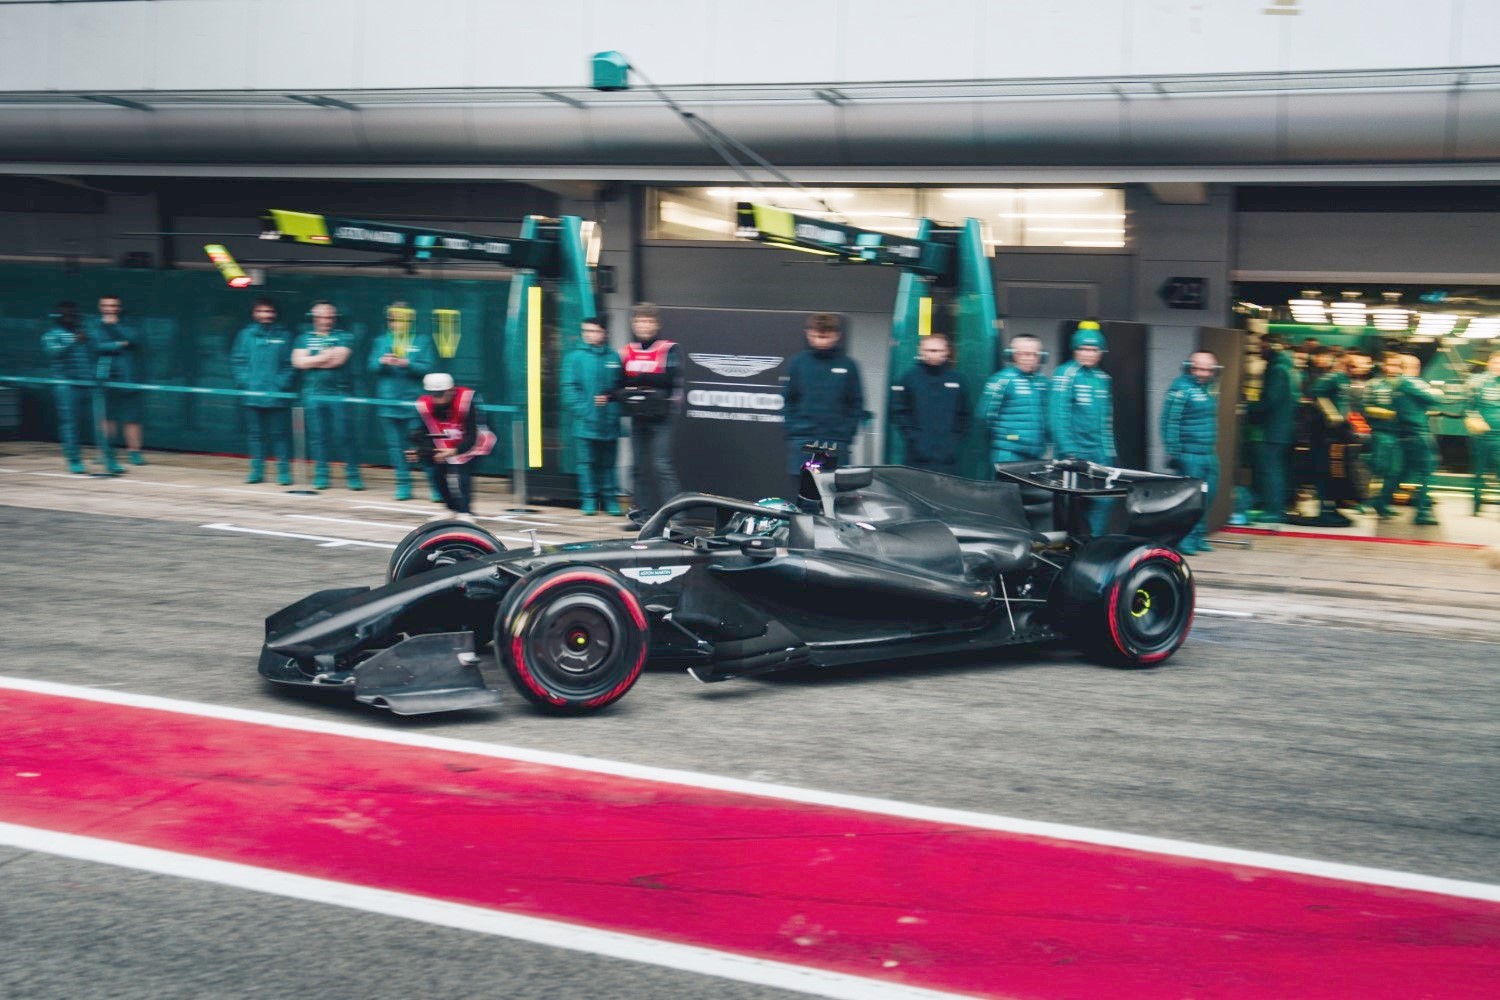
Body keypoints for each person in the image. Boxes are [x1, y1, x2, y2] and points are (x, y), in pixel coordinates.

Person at [782, 312, 865, 498]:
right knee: (805, 495)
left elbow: (856, 404)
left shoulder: (848, 365)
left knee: (835, 497)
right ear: (808, 334)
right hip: (803, 443)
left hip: (836, 443)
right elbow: (789, 400)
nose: (821, 341)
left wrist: (845, 435)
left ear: (836, 335)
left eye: (825, 336)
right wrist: (795, 432)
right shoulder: (797, 363)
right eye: (816, 335)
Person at [1049, 320, 1117, 535]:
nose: (1088, 353)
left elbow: (1106, 420)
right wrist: (1069, 452)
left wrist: (1110, 452)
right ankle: (1075, 551)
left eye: (1093, 349)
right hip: (1074, 454)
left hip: (1099, 454)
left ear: (1101, 351)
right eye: (1083, 348)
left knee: (1104, 501)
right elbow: (1057, 416)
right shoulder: (1065, 373)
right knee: (1073, 507)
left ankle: (1092, 547)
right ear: (1075, 349)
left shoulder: (1103, 378)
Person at [615, 302, 683, 518]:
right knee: (637, 467)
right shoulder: (626, 351)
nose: (643, 325)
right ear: (633, 324)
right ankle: (641, 515)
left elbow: (669, 378)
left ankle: (678, 518)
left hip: (662, 416)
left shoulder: (670, 348)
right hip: (637, 416)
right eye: (639, 321)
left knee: (662, 466)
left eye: (648, 320)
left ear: (656, 324)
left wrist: (639, 379)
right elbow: (619, 383)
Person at [293, 300, 362, 491]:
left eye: (331, 317)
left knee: (345, 436)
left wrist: (312, 360)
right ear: (315, 318)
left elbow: (337, 361)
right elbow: (298, 363)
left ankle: (353, 476)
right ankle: (321, 476)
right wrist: (325, 356)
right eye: (323, 316)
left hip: (339, 394)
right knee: (318, 437)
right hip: (312, 394)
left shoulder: (345, 336)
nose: (327, 320)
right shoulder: (303, 337)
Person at [368, 302, 433, 502]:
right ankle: (403, 485)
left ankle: (436, 486)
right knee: (395, 447)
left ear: (409, 320)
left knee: (420, 446)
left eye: (402, 319)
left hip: (414, 403)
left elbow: (428, 367)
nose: (398, 323)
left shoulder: (422, 340)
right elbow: (370, 365)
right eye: (394, 319)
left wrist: (408, 364)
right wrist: (381, 362)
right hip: (388, 402)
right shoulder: (381, 341)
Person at [408, 372, 495, 516]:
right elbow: (421, 432)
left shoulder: (467, 401)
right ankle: (452, 508)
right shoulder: (425, 404)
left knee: (461, 472)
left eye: (440, 394)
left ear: (451, 390)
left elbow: (472, 435)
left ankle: (466, 512)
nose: (437, 399)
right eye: (433, 394)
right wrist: (420, 450)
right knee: (436, 473)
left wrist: (454, 451)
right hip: (446, 442)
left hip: (475, 442)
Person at [1372, 353, 1444, 526]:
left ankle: (1380, 503)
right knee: (1427, 470)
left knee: (1401, 472)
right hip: (1418, 432)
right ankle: (1422, 513)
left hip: (1403, 433)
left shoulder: (1396, 384)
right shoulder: (1409, 382)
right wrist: (1436, 391)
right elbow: (1433, 399)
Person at [230, 298, 296, 485]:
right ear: (254, 313)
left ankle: (284, 473)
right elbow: (237, 361)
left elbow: (290, 364)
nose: (266, 315)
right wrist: (245, 382)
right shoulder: (245, 335)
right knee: (255, 435)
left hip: (277, 396)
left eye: (270, 311)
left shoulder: (285, 335)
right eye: (262, 311)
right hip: (252, 395)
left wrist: (281, 383)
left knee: (280, 435)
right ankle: (256, 471)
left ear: (275, 314)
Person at [563, 316, 624, 515]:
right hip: (584, 423)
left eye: (595, 331)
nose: (590, 335)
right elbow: (569, 388)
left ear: (604, 333)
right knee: (586, 463)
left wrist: (614, 411)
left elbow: (620, 388)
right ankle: (588, 500)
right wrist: (584, 411)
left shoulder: (614, 357)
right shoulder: (574, 358)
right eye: (587, 331)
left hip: (609, 422)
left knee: (608, 464)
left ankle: (610, 500)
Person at [1161, 351, 1220, 555]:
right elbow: (1169, 420)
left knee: (1207, 496)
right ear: (1190, 366)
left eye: (1207, 369)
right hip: (1189, 453)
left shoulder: (1209, 388)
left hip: (1208, 453)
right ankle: (1184, 540)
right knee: (1190, 501)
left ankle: (1198, 536)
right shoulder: (1180, 388)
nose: (1203, 373)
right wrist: (1173, 451)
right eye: (1199, 368)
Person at [889, 332, 971, 475]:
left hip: (947, 459)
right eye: (929, 350)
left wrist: (953, 440)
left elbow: (964, 414)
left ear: (947, 352)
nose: (933, 354)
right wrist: (915, 438)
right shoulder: (909, 378)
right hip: (916, 458)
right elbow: (899, 411)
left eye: (938, 350)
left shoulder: (957, 379)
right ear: (921, 351)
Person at [39, 301, 99, 475]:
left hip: (87, 384)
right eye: (66, 315)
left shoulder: (84, 334)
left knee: (95, 422)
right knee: (70, 423)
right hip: (66, 386)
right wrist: (74, 341)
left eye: (73, 314)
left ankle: (103, 457)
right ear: (58, 317)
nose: (70, 318)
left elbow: (93, 355)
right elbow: (53, 353)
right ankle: (74, 459)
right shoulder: (51, 335)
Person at [89, 294, 146, 466]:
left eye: (113, 305)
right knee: (106, 417)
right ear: (100, 307)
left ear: (119, 308)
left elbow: (133, 340)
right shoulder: (94, 325)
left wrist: (113, 330)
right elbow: (95, 346)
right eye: (106, 305)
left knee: (132, 417)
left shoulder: (129, 324)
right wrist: (118, 344)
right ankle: (105, 452)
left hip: (129, 377)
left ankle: (134, 452)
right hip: (104, 378)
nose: (110, 308)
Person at [978, 333, 1049, 472]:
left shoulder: (1042, 382)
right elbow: (984, 415)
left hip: (1035, 455)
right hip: (1008, 454)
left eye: (1035, 354)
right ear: (1012, 355)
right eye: (1024, 354)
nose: (1030, 358)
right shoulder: (1002, 380)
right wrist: (1008, 436)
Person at [1250, 336, 1297, 523]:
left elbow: (1271, 400)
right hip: (1284, 427)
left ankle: (1274, 510)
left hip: (1275, 428)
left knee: (1271, 470)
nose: (1260, 351)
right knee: (1277, 469)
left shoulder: (1277, 369)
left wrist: (1249, 407)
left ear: (1272, 346)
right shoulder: (1288, 367)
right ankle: (1275, 507)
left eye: (1262, 347)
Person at [1308, 347, 1356, 526]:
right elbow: (1315, 394)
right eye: (1347, 363)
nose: (1350, 366)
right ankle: (1324, 509)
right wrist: (1333, 418)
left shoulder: (1343, 379)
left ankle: (1331, 508)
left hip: (1336, 434)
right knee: (1325, 471)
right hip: (1326, 434)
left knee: (1334, 472)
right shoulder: (1331, 378)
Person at [1465, 350, 1500, 516]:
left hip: (1499, 437)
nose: (1498, 366)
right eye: (1495, 362)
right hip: (1481, 436)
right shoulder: (1477, 382)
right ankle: (1476, 504)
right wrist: (1475, 421)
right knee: (1479, 472)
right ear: (1489, 364)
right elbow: (1469, 407)